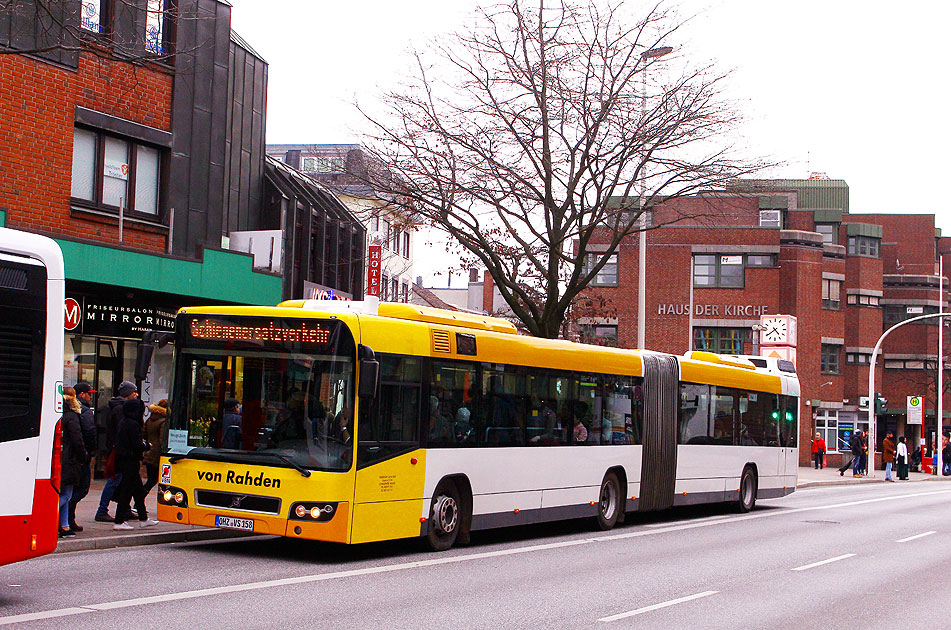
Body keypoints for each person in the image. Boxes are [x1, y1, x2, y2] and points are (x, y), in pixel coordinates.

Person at [96, 380, 139, 522]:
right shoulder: (121, 410)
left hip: (116, 449)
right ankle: (102, 510)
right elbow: (122, 432)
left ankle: (125, 509)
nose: (136, 395)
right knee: (115, 480)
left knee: (123, 481)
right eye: (134, 393)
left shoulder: (116, 407)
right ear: (128, 394)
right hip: (119, 451)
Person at [113, 398, 158, 530]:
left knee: (138, 491)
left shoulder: (124, 422)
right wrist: (146, 446)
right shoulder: (133, 424)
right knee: (126, 491)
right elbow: (136, 444)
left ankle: (143, 518)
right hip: (130, 460)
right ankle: (119, 521)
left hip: (126, 459)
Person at [68, 381, 97, 532]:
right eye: (88, 394)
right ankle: (66, 516)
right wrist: (89, 452)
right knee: (81, 488)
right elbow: (89, 432)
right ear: (81, 395)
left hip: (71, 455)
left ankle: (68, 518)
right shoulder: (84, 411)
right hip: (80, 455)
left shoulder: (70, 410)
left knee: (71, 488)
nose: (90, 397)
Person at [59, 387, 87, 538]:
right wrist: (83, 456)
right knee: (67, 494)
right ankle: (50, 515)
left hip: (61, 457)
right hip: (70, 459)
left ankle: (64, 526)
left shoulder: (59, 414)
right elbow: (77, 439)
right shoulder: (72, 416)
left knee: (63, 492)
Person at [142, 399, 167, 496]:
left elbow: (144, 434)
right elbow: (162, 440)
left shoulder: (150, 419)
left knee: (151, 479)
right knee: (153, 480)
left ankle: (138, 502)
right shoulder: (163, 421)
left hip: (149, 452)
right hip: (157, 455)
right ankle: (139, 501)